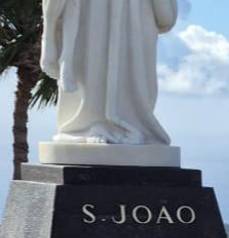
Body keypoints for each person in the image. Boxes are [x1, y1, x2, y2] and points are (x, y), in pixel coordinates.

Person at [40, 0, 177, 146]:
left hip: (135, 15)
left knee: (128, 66)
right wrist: (49, 38)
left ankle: (130, 122)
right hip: (88, 13)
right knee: (92, 59)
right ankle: (87, 124)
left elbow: (165, 19)